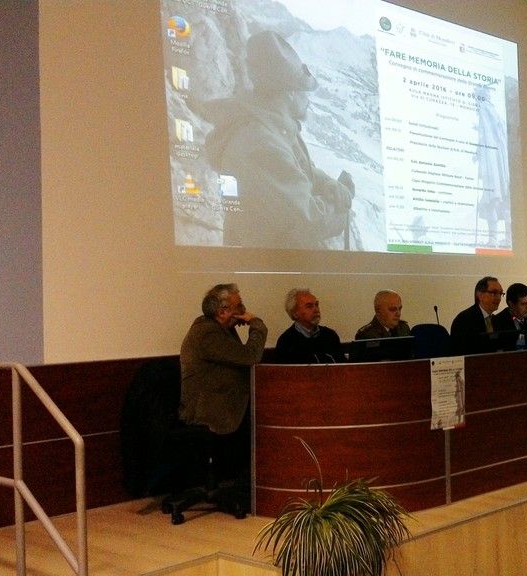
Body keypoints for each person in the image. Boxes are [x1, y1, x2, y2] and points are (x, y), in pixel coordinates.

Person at [203, 30, 355, 249]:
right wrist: (341, 206)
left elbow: (297, 169)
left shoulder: (272, 127)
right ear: (290, 92)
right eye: (304, 91)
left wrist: (329, 185)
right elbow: (308, 220)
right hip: (269, 266)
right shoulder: (261, 143)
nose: (308, 100)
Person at [178, 283, 267, 477]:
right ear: (223, 311)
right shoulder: (207, 333)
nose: (244, 310)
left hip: (227, 400)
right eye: (239, 306)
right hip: (210, 410)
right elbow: (250, 356)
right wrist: (257, 324)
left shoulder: (220, 329)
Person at [275, 288, 345, 363]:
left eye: (316, 305)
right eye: (309, 306)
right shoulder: (286, 342)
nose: (316, 310)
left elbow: (344, 367)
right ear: (295, 313)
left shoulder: (330, 336)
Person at [449, 276, 511, 355]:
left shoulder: (496, 320)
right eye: (494, 293)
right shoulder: (464, 320)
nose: (499, 298)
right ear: (480, 295)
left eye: (500, 293)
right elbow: (462, 351)